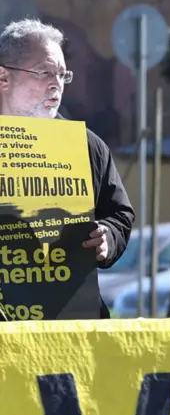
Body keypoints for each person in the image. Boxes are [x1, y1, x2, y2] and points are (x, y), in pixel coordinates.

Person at [0, 19, 134, 317]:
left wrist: (107, 238)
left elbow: (119, 213)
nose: (56, 84)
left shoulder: (86, 146)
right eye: (45, 72)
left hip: (71, 323)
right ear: (4, 77)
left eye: (62, 74)